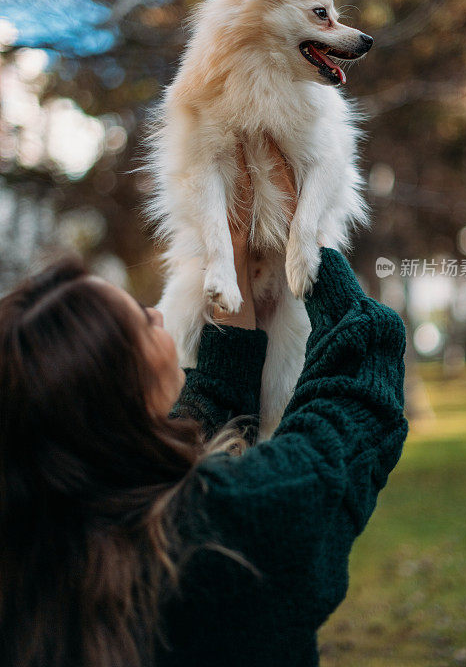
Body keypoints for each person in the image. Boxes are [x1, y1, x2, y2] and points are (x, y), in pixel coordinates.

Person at [0, 142, 408, 667]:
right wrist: (307, 249)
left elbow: (206, 417)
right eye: (143, 322)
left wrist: (234, 290)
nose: (157, 316)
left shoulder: (40, 543)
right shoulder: (225, 531)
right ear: (118, 392)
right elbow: (348, 419)